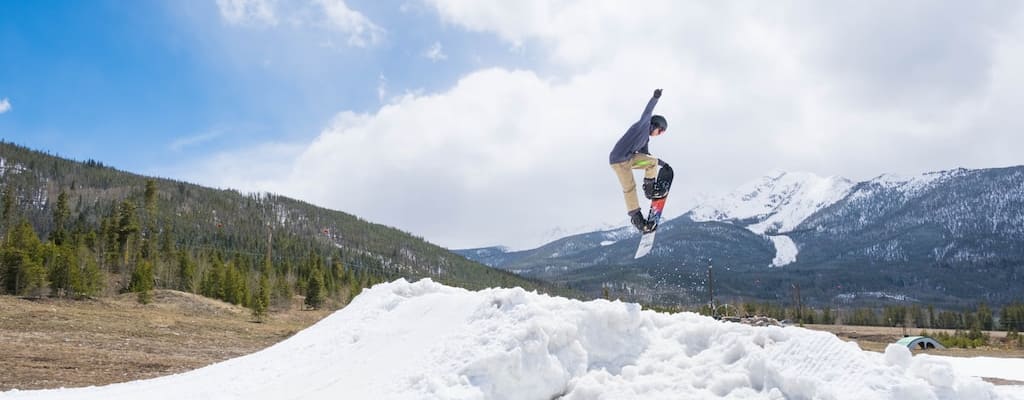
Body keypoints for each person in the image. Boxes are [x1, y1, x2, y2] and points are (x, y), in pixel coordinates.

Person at [609, 88, 669, 232]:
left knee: (652, 162)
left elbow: (647, 158)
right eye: (660, 131)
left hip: (630, 159)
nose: (659, 134)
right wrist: (655, 97)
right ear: (655, 125)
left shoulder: (645, 139)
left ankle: (650, 191)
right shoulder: (643, 126)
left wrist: (663, 164)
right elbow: (647, 112)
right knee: (629, 188)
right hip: (619, 161)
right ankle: (638, 220)